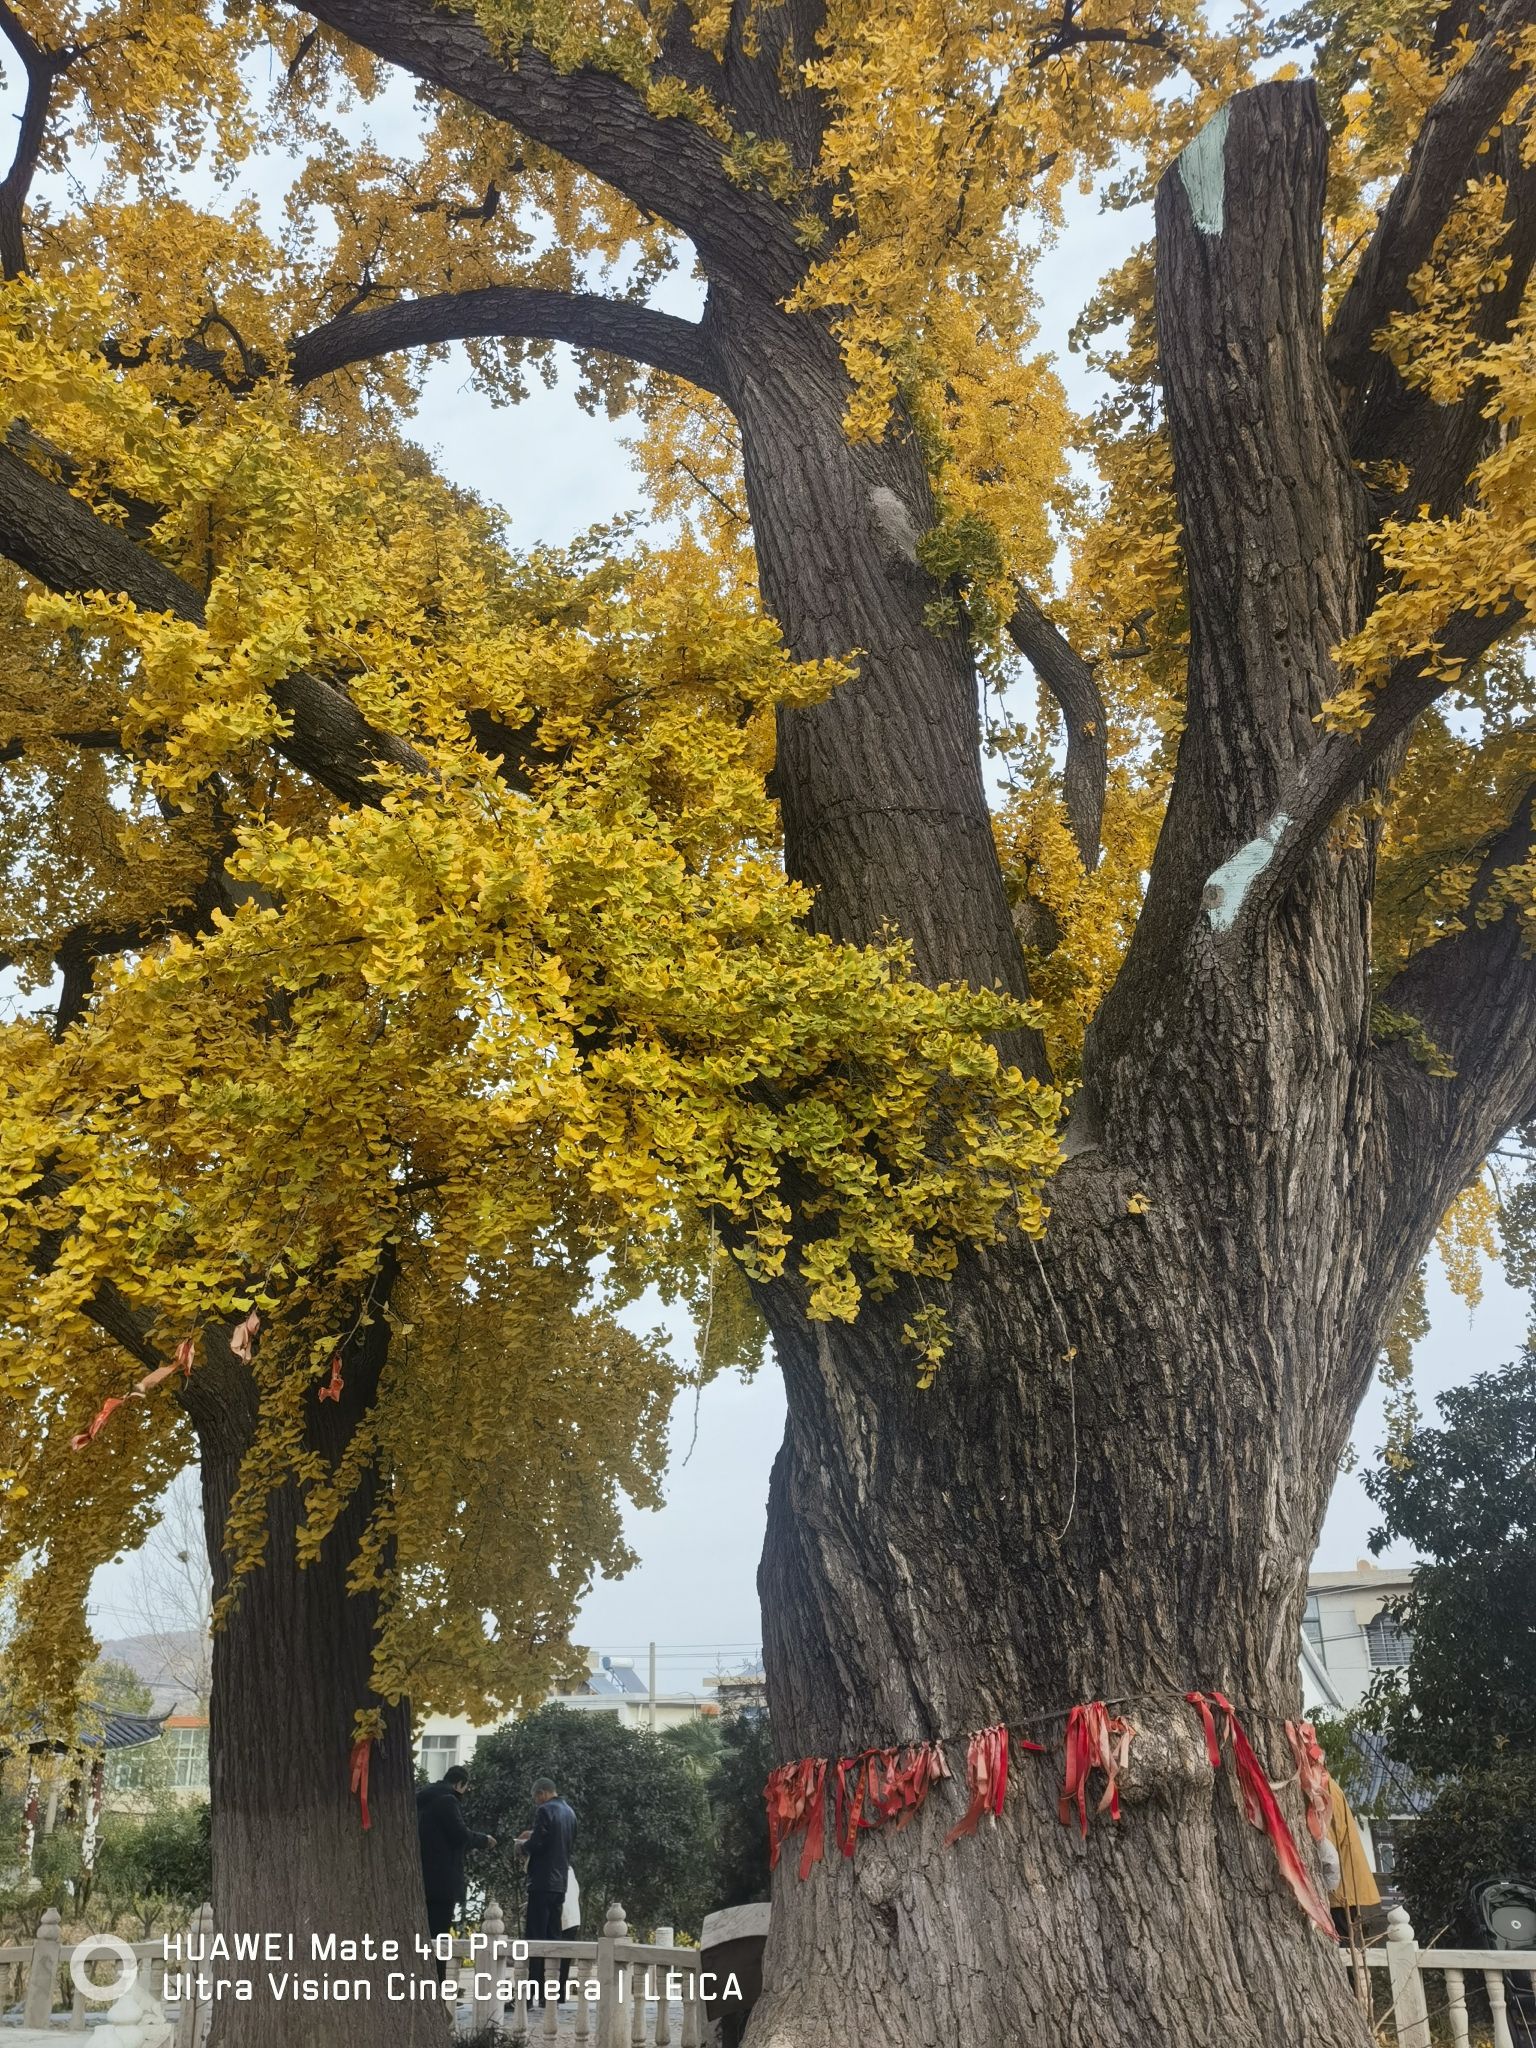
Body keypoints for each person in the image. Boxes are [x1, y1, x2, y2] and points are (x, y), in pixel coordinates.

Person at [417, 1765, 495, 1983]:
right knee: (440, 1936)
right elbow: (459, 1835)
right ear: (460, 1784)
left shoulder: (421, 1799)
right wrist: (483, 1840)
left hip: (421, 1879)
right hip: (442, 1881)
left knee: (423, 1935)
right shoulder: (448, 1800)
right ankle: (437, 1983)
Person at [517, 1775, 576, 2004]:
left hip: (541, 1882)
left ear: (541, 1793)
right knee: (554, 1937)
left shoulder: (545, 1811)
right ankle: (550, 1993)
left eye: (535, 1798)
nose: (536, 1802)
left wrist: (524, 1846)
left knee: (535, 1937)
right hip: (560, 1882)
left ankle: (532, 1992)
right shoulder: (570, 1812)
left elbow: (539, 1843)